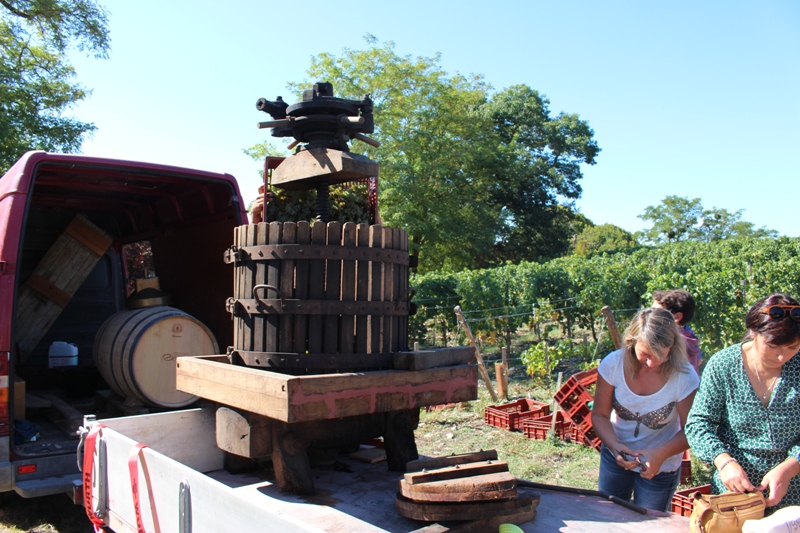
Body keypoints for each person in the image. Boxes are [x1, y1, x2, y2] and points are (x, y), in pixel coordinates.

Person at [685, 293, 800, 511]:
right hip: (735, 496)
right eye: (773, 347)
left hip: (793, 494)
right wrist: (723, 461)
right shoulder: (724, 366)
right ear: (753, 332)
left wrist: (790, 468)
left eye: (792, 348)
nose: (781, 357)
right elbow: (699, 424)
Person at [592, 307, 700, 512]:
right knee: (609, 517)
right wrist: (615, 447)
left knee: (649, 523)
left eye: (661, 355)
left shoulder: (684, 376)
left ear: (673, 347)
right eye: (645, 354)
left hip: (662, 465)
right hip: (616, 456)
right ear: (632, 343)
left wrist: (660, 454)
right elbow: (600, 415)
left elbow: (692, 430)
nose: (651, 363)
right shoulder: (613, 365)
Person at [652, 289, 703, 375]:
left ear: (677, 317)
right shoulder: (689, 335)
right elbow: (699, 361)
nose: (650, 315)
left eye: (656, 311)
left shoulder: (673, 343)